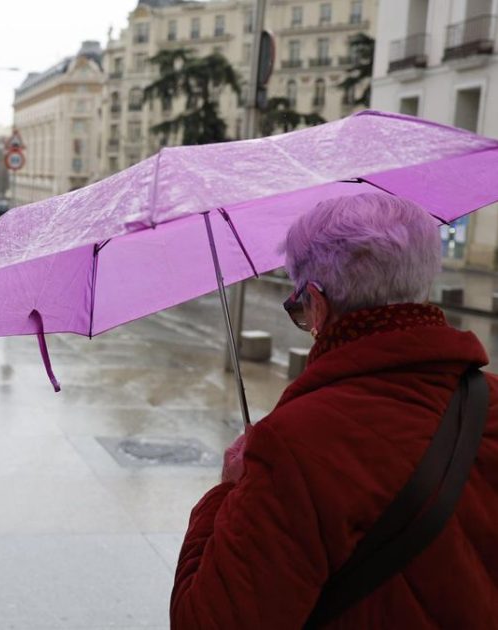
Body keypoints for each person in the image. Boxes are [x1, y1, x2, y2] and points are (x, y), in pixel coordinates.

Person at [171, 193, 498, 628]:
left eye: (300, 311)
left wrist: (226, 494)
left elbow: (206, 621)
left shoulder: (293, 446)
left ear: (317, 303)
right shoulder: (490, 403)